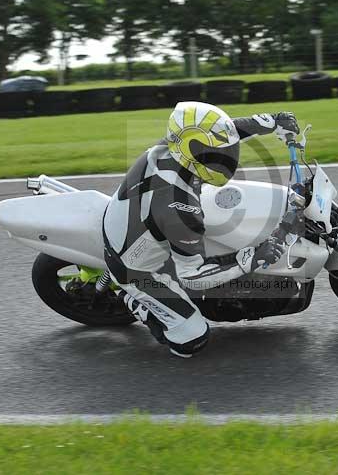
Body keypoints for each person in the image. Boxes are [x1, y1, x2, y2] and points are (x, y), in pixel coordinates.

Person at [102, 101, 300, 357]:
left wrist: (271, 121)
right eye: (214, 154)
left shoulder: (174, 146)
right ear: (191, 150)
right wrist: (251, 258)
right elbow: (192, 276)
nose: (226, 158)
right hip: (136, 268)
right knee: (192, 340)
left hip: (138, 221)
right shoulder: (180, 208)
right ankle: (136, 303)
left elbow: (224, 132)